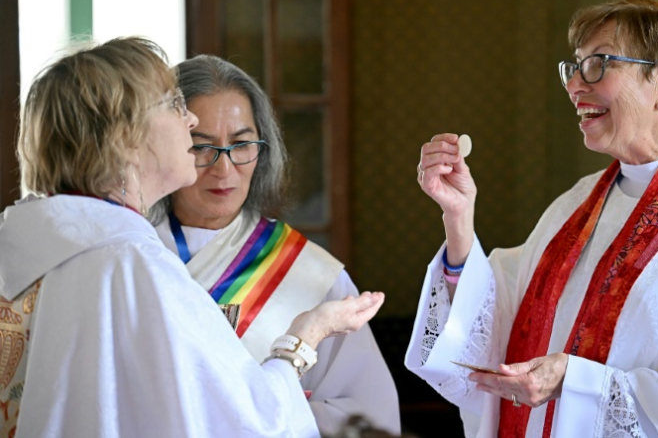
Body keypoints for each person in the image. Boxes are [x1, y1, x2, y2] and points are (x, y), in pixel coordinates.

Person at [405, 0, 658, 437]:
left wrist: (575, 384)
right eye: (574, 66)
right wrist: (458, 217)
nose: (574, 85)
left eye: (599, 64)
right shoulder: (578, 202)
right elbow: (495, 322)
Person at [0, 37, 385, 438]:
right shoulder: (132, 264)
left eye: (240, 143)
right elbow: (245, 425)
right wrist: (306, 336)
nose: (189, 121)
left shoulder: (37, 250)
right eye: (173, 104)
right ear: (126, 138)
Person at [150, 54, 401, 436]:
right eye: (201, 146)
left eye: (242, 144)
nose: (224, 168)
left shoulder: (313, 276)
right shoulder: (133, 255)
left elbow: (370, 418)